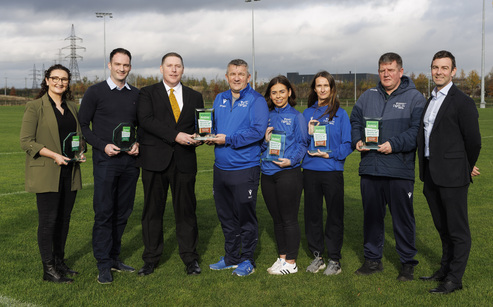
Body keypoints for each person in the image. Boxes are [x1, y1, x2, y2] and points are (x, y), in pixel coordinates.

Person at [350, 52, 425, 281]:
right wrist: (357, 139)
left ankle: (407, 263)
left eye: (391, 70)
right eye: (382, 70)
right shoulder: (367, 96)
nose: (386, 74)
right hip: (371, 169)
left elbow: (416, 132)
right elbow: (354, 120)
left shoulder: (415, 98)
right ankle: (373, 260)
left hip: (399, 170)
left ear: (401, 72)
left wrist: (394, 144)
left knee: (403, 219)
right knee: (372, 217)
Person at [417, 50, 481, 294]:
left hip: (453, 177)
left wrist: (464, 166)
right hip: (431, 174)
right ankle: (444, 270)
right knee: (442, 227)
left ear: (453, 71)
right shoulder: (430, 99)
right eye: (435, 67)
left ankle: (455, 279)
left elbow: (474, 141)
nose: (439, 72)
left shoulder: (462, 101)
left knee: (457, 230)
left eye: (444, 68)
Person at [136, 52, 204, 276]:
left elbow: (200, 126)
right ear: (161, 68)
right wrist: (176, 136)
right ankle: (151, 258)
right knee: (153, 211)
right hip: (155, 161)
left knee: (186, 211)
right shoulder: (147, 93)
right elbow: (146, 121)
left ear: (183, 69)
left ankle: (190, 258)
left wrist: (201, 137)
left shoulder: (195, 96)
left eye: (178, 66)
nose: (174, 70)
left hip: (184, 161)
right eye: (169, 66)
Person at [78, 48, 140, 284]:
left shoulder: (136, 94)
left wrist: (138, 144)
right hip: (106, 162)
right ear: (109, 65)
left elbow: (142, 126)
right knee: (104, 213)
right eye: (118, 64)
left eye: (126, 65)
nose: (122, 69)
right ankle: (103, 264)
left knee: (123, 212)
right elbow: (83, 126)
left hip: (130, 163)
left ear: (130, 67)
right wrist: (102, 146)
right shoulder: (95, 92)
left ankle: (114, 258)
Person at [20, 64, 85, 283]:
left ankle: (59, 262)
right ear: (47, 80)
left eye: (64, 79)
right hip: (47, 172)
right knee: (48, 221)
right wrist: (54, 155)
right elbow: (26, 141)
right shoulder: (35, 107)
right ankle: (48, 269)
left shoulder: (72, 107)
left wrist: (81, 151)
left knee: (64, 221)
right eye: (55, 78)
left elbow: (79, 137)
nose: (60, 82)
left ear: (68, 82)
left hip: (70, 172)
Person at [206, 59, 269, 276]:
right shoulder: (219, 98)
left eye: (241, 74)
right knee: (226, 216)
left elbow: (257, 132)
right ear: (226, 77)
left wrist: (229, 139)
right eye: (232, 73)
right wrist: (206, 135)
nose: (236, 78)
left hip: (245, 168)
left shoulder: (256, 100)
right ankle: (231, 257)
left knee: (245, 216)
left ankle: (247, 260)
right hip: (220, 168)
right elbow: (213, 126)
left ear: (248, 77)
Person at [302, 71, 353, 276]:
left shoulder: (340, 113)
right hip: (310, 170)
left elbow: (348, 144)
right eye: (318, 85)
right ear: (314, 89)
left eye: (326, 85)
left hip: (331, 171)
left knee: (334, 215)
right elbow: (301, 143)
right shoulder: (307, 114)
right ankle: (318, 257)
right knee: (312, 215)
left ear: (332, 88)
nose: (322, 89)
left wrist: (331, 155)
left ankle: (334, 259)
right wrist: (308, 133)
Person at [260, 76, 308, 275]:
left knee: (288, 218)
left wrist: (292, 160)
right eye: (274, 92)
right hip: (267, 173)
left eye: (282, 91)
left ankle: (292, 262)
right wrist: (265, 140)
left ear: (289, 92)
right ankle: (282, 258)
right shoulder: (267, 116)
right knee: (277, 219)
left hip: (288, 173)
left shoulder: (297, 116)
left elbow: (303, 143)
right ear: (269, 95)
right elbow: (262, 146)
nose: (278, 96)